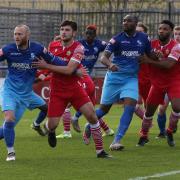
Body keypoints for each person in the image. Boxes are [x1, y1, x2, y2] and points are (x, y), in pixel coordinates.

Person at [32, 20, 111, 158]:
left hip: (75, 88)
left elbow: (69, 70)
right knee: (52, 125)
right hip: (57, 91)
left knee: (92, 116)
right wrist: (42, 70)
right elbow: (46, 64)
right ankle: (51, 131)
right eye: (62, 29)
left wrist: (48, 66)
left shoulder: (79, 48)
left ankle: (100, 151)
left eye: (67, 30)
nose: (63, 32)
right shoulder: (53, 45)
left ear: (74, 33)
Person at [0, 24, 74, 161]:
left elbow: (54, 60)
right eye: (15, 34)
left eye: (20, 34)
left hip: (27, 94)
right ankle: (11, 152)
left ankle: (40, 126)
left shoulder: (38, 49)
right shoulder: (8, 49)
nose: (16, 37)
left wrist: (72, 67)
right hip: (10, 91)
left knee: (46, 109)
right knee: (9, 119)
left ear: (27, 35)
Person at [82, 15, 152, 151]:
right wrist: (110, 64)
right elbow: (104, 58)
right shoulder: (116, 39)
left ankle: (116, 140)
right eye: (124, 20)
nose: (125, 22)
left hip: (131, 78)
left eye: (128, 20)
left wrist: (156, 56)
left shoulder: (144, 38)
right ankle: (89, 125)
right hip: (113, 78)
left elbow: (150, 54)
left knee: (130, 107)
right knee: (103, 110)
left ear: (136, 23)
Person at [137, 20, 180, 147]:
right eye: (160, 28)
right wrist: (153, 57)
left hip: (174, 81)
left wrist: (150, 60)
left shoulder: (176, 46)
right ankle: (143, 135)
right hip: (156, 82)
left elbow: (168, 65)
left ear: (171, 31)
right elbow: (141, 57)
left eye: (165, 29)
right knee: (149, 112)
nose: (161, 31)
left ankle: (170, 131)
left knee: (177, 107)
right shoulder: (151, 45)